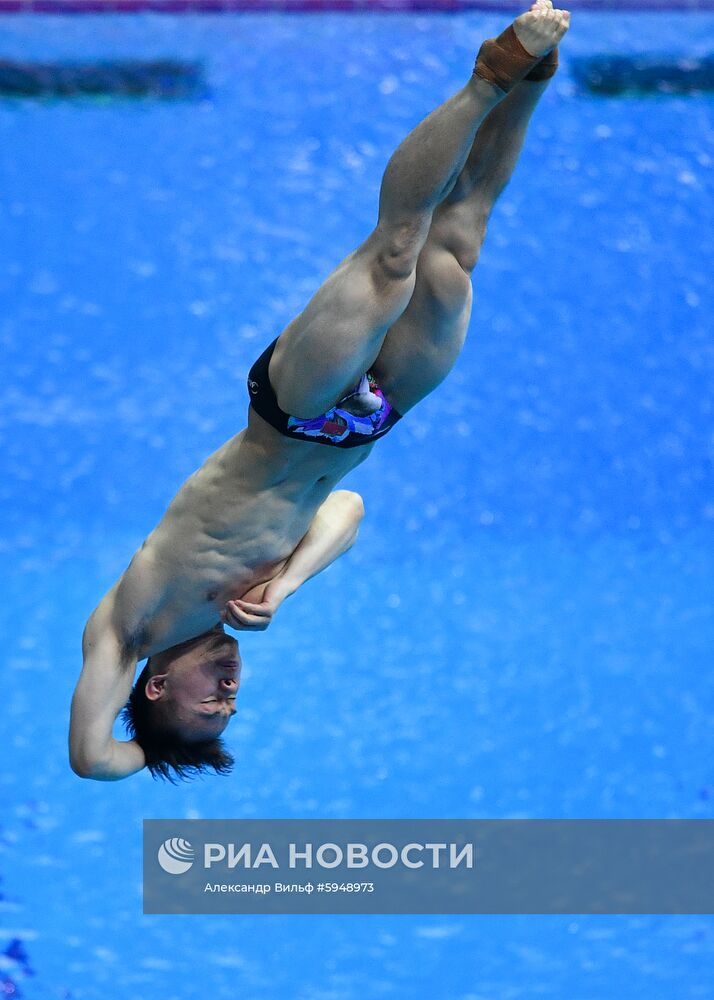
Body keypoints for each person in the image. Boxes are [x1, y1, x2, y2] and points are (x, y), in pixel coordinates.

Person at [69, 1, 571, 782]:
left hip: (294, 408)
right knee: (457, 246)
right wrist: (288, 584)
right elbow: (346, 508)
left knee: (395, 253)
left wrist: (163, 751)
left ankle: (492, 74)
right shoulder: (258, 603)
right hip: (368, 426)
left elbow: (93, 759)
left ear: (157, 686)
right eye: (230, 709)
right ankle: (534, 79)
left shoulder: (132, 626)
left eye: (208, 704)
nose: (231, 692)